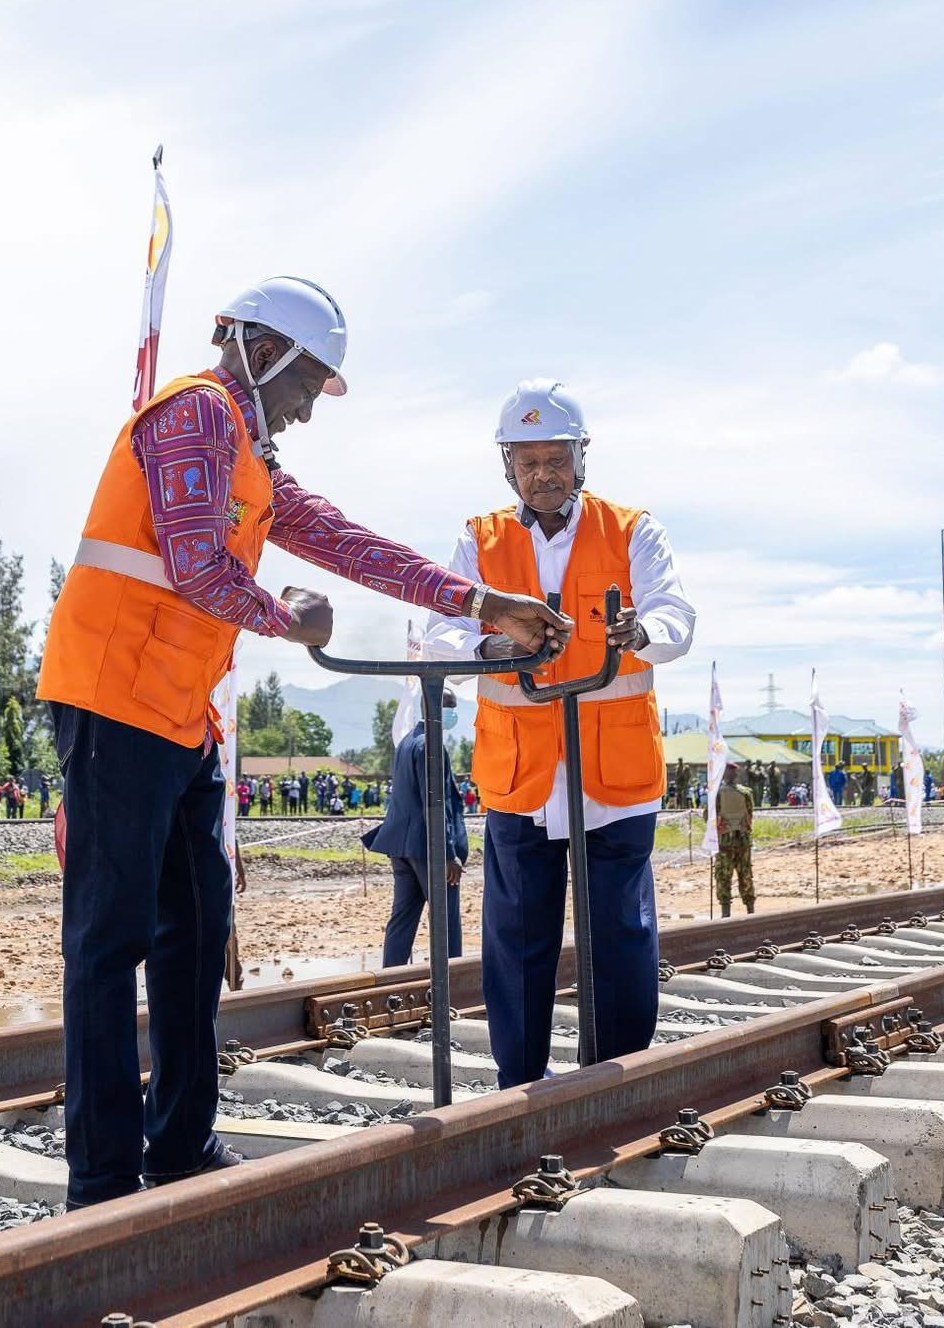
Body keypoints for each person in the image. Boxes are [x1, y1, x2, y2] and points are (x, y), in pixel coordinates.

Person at [35, 277, 568, 1209]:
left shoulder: (247, 450)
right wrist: (289, 620)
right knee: (110, 941)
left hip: (179, 714)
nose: (308, 410)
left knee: (197, 932)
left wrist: (480, 602)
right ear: (261, 351)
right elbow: (196, 563)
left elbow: (347, 543)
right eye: (307, 385)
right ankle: (102, 1179)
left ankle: (180, 1144)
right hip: (114, 700)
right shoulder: (196, 414)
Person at [425, 378, 696, 1088]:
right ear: (508, 466)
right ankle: (522, 1085)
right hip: (522, 774)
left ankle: (615, 1079)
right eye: (527, 462)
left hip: (614, 772)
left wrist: (643, 631)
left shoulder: (633, 529)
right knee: (516, 938)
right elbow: (438, 631)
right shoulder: (478, 537)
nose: (542, 475)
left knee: (621, 932)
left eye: (555, 459)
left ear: (580, 458)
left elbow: (676, 615)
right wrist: (488, 646)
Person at [365, 688, 466, 967]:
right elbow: (436, 804)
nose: (453, 712)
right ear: (431, 705)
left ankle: (391, 978)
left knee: (403, 917)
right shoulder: (430, 745)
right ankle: (451, 981)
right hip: (427, 847)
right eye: (449, 705)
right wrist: (448, 854)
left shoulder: (407, 742)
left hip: (401, 845)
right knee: (446, 918)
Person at [714, 763, 756, 917]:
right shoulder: (746, 792)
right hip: (743, 841)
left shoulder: (717, 793)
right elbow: (750, 814)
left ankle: (726, 914)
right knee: (745, 875)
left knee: (723, 877)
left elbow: (710, 816)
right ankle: (750, 911)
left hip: (724, 843)